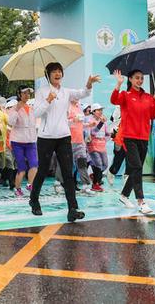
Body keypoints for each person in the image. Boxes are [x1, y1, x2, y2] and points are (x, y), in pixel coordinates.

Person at [30, 62, 100, 222]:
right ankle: (34, 200)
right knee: (42, 171)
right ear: (48, 74)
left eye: (59, 71)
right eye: (54, 71)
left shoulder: (66, 92)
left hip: (63, 137)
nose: (57, 74)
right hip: (46, 137)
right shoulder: (42, 92)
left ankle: (72, 209)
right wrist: (48, 100)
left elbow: (82, 93)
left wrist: (89, 84)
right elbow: (36, 113)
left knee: (68, 173)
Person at [111, 69, 155, 215]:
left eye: (141, 78)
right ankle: (141, 201)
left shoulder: (148, 97)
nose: (139, 80)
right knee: (137, 167)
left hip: (144, 137)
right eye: (136, 78)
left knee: (135, 169)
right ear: (131, 79)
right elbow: (114, 100)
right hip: (129, 137)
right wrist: (118, 84)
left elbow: (153, 115)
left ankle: (124, 195)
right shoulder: (125, 95)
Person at [7, 86, 38, 197]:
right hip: (18, 141)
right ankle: (17, 188)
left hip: (31, 140)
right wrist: (16, 109)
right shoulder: (13, 108)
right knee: (22, 168)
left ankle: (30, 184)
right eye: (24, 93)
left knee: (34, 165)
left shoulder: (31, 108)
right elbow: (11, 122)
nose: (27, 95)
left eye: (28, 93)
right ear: (19, 94)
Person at [68, 98, 92, 193]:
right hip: (69, 141)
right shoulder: (67, 107)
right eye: (75, 95)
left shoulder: (79, 108)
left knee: (82, 163)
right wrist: (73, 120)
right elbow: (63, 122)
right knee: (69, 165)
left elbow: (80, 124)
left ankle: (86, 186)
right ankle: (59, 183)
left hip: (80, 141)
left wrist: (89, 125)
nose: (77, 97)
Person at [87, 103, 110, 192]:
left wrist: (111, 134)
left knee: (105, 165)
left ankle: (94, 175)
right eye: (98, 110)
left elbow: (106, 132)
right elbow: (93, 132)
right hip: (93, 145)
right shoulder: (90, 120)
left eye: (101, 110)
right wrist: (101, 123)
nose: (100, 112)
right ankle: (95, 184)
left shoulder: (103, 121)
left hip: (102, 145)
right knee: (98, 164)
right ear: (93, 112)